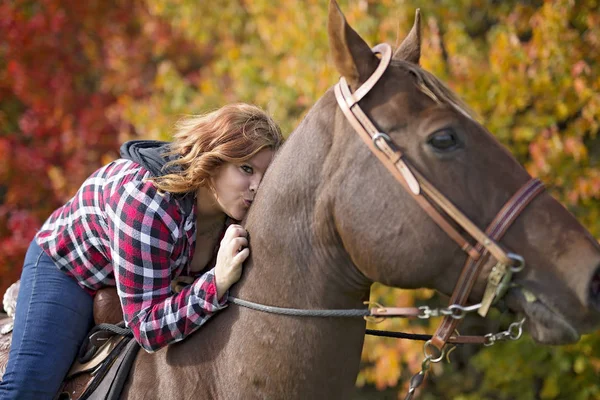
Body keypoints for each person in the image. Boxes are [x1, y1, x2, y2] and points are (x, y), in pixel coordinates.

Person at [0, 103, 284, 399]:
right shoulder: (147, 203)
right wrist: (216, 283)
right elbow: (147, 328)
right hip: (72, 269)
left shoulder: (240, 209)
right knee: (28, 388)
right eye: (246, 169)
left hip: (139, 276)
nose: (257, 186)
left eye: (266, 175)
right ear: (213, 160)